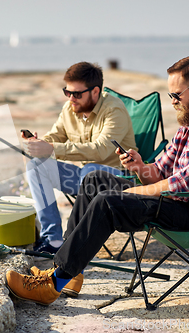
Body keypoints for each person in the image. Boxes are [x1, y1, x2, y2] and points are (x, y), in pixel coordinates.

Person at [6, 56, 189, 305]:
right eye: (170, 95)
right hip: (173, 200)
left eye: (176, 95)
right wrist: (139, 166)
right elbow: (161, 170)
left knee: (108, 202)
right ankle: (69, 271)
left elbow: (188, 184)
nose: (173, 102)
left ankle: (53, 283)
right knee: (95, 180)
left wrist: (138, 192)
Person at [23, 61, 137, 254]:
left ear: (95, 91)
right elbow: (56, 136)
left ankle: (75, 243)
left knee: (91, 172)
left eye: (77, 94)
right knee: (36, 167)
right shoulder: (70, 108)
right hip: (86, 178)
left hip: (120, 181)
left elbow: (100, 150)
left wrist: (50, 148)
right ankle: (53, 240)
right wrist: (39, 143)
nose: (71, 98)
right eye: (67, 92)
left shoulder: (113, 111)